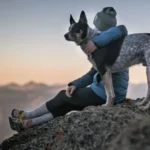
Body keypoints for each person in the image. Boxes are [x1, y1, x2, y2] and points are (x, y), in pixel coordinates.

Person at [9, 7, 129, 132]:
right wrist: (75, 84)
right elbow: (92, 73)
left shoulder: (115, 41)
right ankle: (29, 123)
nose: (94, 30)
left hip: (107, 94)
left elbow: (122, 29)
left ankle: (28, 115)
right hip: (101, 90)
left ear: (103, 27)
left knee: (63, 96)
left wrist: (96, 42)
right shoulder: (105, 46)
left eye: (97, 27)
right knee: (67, 104)